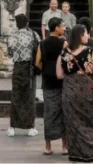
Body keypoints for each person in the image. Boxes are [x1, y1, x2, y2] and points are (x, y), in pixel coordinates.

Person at [57, 24, 93, 163]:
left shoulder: (64, 53)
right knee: (91, 122)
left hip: (70, 92)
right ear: (79, 36)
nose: (88, 36)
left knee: (73, 124)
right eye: (85, 34)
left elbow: (59, 75)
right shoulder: (90, 51)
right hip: (87, 92)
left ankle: (76, 156)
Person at [36, 17, 68, 156]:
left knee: (49, 113)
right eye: (62, 26)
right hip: (62, 81)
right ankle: (64, 145)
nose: (64, 28)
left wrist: (46, 69)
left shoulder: (42, 43)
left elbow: (37, 62)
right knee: (63, 112)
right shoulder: (64, 43)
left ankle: (48, 145)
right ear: (57, 28)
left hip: (48, 81)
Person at [7, 13, 40, 138]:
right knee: (29, 96)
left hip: (18, 67)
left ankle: (12, 127)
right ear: (27, 23)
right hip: (29, 67)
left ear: (17, 24)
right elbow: (39, 49)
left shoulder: (12, 36)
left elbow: (10, 53)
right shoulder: (33, 34)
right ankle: (30, 127)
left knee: (16, 95)